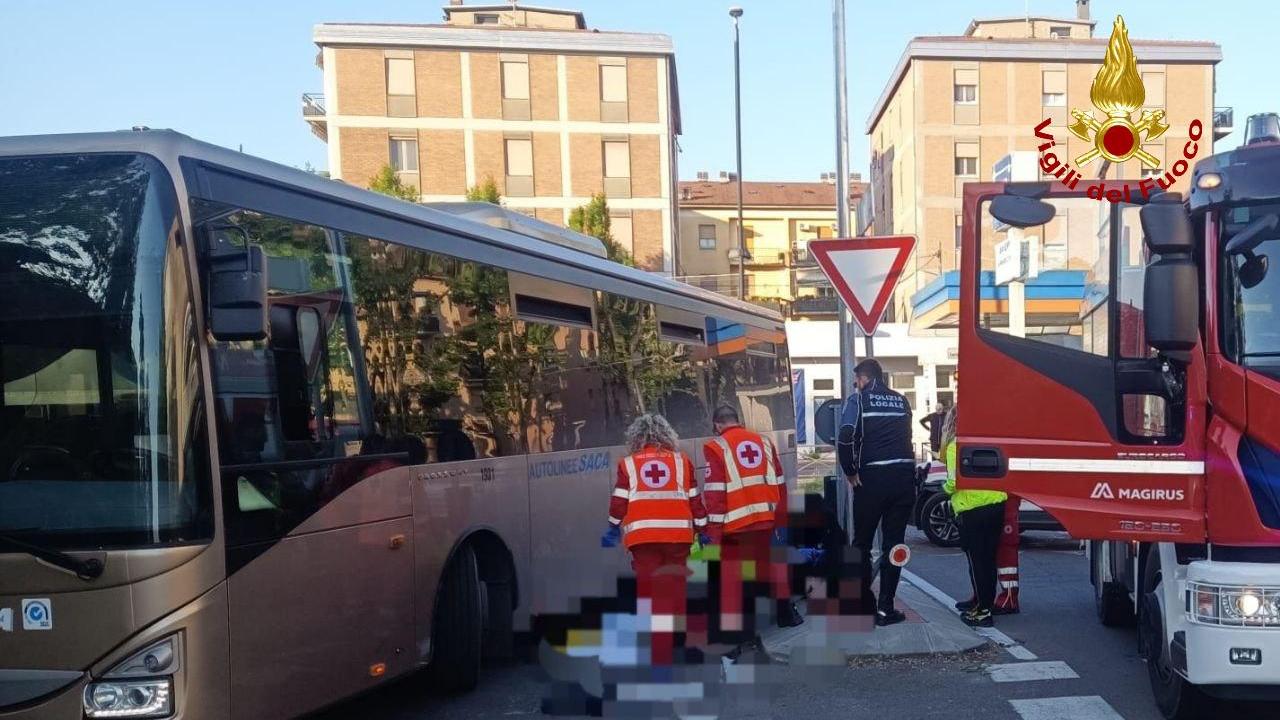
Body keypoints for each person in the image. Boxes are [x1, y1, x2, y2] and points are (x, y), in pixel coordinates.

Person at [601, 413, 707, 665]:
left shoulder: (628, 464)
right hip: (678, 537)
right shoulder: (682, 462)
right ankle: (682, 645)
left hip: (643, 539)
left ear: (636, 437)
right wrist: (702, 529)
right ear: (667, 435)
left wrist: (612, 528)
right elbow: (695, 500)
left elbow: (619, 502)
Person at [701, 404, 798, 639]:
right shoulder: (763, 442)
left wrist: (712, 536)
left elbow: (715, 495)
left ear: (717, 424)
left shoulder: (715, 447)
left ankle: (742, 631)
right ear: (737, 420)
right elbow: (779, 482)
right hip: (767, 519)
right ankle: (788, 614)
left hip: (736, 525)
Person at [837, 358, 916, 627]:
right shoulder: (902, 400)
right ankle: (886, 608)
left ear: (863, 378)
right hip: (904, 478)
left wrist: (850, 471)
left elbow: (846, 436)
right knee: (894, 545)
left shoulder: (857, 401)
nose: (855, 385)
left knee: (861, 544)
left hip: (872, 479)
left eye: (856, 380)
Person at [941, 404, 1008, 628]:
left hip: (972, 508)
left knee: (977, 561)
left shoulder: (955, 447)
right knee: (988, 560)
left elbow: (953, 481)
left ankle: (983, 611)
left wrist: (945, 490)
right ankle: (982, 603)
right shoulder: (988, 439)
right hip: (997, 503)